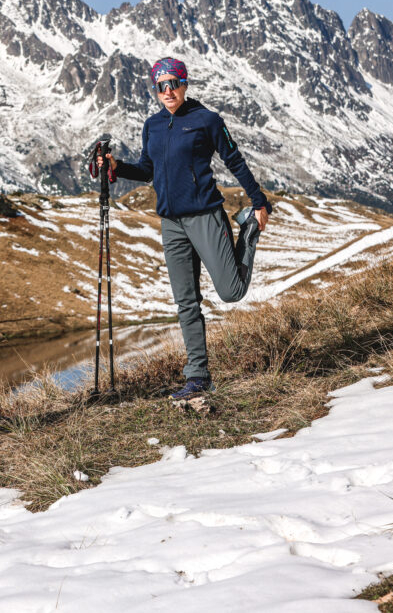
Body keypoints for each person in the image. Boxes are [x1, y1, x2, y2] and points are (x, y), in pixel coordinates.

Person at [99, 57, 272, 400]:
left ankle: (247, 229)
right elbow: (148, 170)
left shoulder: (206, 120)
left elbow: (234, 159)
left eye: (173, 84)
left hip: (205, 215)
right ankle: (198, 376)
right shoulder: (152, 125)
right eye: (160, 86)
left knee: (231, 292)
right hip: (171, 224)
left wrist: (259, 201)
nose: (168, 92)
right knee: (186, 303)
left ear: (184, 83)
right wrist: (117, 168)